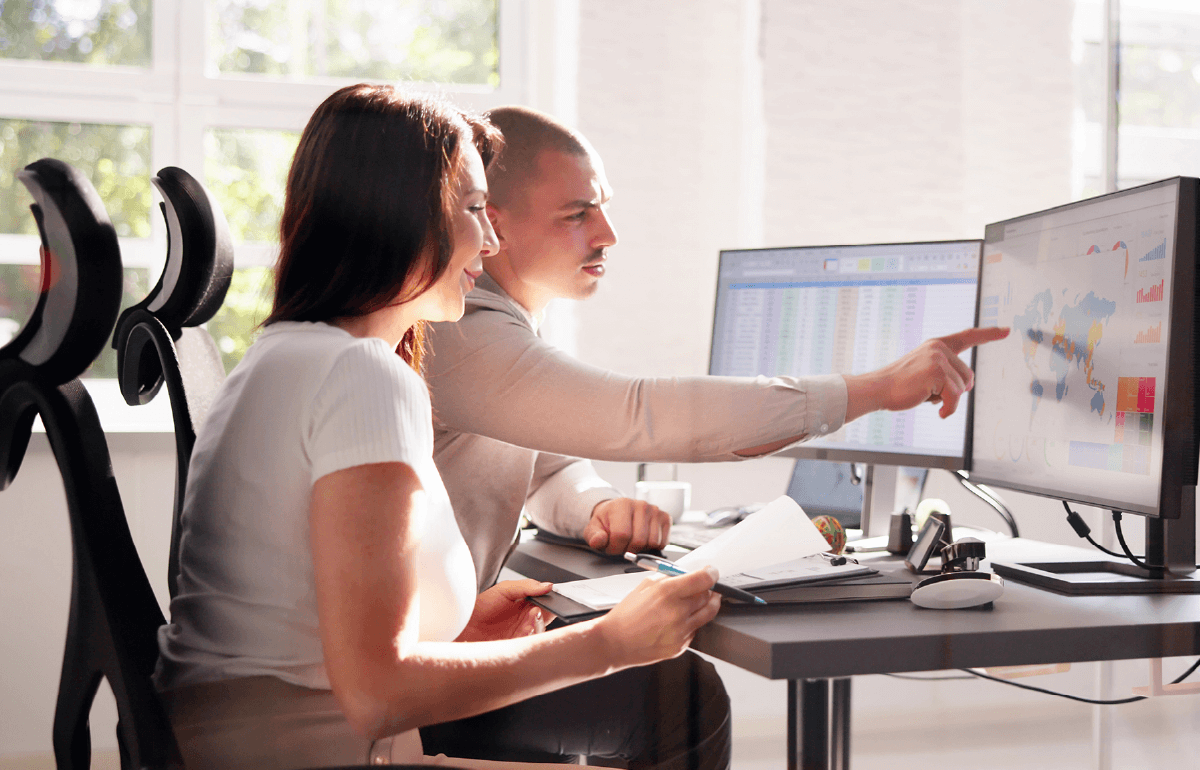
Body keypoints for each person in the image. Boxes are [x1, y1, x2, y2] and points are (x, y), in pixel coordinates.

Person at [155, 84, 730, 769]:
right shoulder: (363, 378)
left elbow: (305, 631)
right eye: (475, 210)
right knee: (681, 697)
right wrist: (607, 644)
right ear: (403, 214)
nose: (491, 241)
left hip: (243, 736)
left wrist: (458, 634)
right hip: (329, 749)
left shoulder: (284, 356)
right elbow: (377, 694)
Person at [425, 105, 1010, 590]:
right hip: (417, 674)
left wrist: (599, 506)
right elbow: (639, 415)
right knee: (677, 688)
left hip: (446, 642)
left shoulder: (495, 328)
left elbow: (548, 471)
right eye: (579, 214)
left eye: (603, 206)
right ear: (492, 224)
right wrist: (879, 388)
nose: (608, 234)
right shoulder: (461, 330)